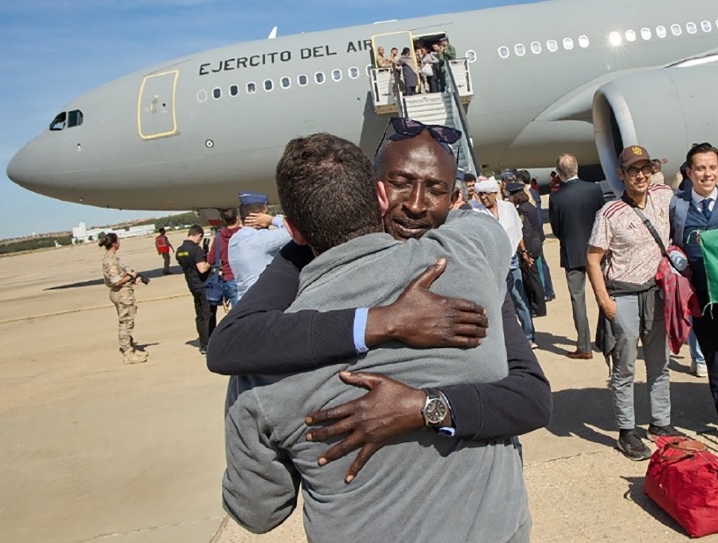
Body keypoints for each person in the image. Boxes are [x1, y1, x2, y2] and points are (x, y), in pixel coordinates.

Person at [220, 132, 532, 541]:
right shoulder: (470, 257)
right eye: (405, 185)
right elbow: (475, 219)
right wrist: (385, 323)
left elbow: (258, 512)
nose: (417, 204)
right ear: (381, 199)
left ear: (292, 229)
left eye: (433, 189)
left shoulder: (256, 371)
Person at [586, 145, 681, 461]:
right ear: (621, 174)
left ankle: (661, 423)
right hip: (623, 295)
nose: (640, 175)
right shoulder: (610, 213)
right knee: (624, 368)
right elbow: (593, 257)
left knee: (659, 364)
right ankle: (627, 432)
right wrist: (604, 301)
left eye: (645, 169)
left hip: (656, 293)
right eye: (632, 170)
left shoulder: (664, 196)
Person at [670, 143, 718, 407]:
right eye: (700, 168)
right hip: (700, 300)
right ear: (689, 172)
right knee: (713, 359)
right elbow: (669, 241)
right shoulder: (677, 207)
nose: (707, 174)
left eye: (712, 167)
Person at [549, 153, 605, 359]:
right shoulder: (594, 189)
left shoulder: (556, 198)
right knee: (604, 295)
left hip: (572, 254)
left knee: (577, 300)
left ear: (559, 173)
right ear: (577, 167)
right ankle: (607, 338)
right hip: (597, 251)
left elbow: (556, 229)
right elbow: (603, 220)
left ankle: (584, 345)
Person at [473, 177, 538, 348]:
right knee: (500, 300)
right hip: (492, 263)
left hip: (512, 259)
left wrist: (523, 252)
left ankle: (529, 335)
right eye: (480, 195)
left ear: (495, 193)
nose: (484, 198)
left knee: (518, 296)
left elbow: (518, 231)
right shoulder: (477, 212)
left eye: (486, 194)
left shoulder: (508, 208)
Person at [228, 192, 291, 301]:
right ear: (261, 215)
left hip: (243, 302)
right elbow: (295, 230)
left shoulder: (235, 239)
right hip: (264, 302)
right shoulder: (261, 239)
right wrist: (272, 220)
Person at [99, 233, 149, 365]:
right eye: (118, 240)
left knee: (127, 321)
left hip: (123, 291)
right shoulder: (111, 260)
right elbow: (116, 281)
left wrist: (132, 280)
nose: (120, 242)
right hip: (121, 294)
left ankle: (131, 349)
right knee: (125, 323)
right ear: (114, 243)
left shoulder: (113, 258)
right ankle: (128, 354)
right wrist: (131, 276)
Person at [508, 182, 546, 317]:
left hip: (530, 247)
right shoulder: (529, 206)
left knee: (532, 279)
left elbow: (526, 231)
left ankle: (537, 307)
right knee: (535, 277)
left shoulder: (522, 210)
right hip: (536, 244)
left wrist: (526, 252)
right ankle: (539, 306)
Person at [176, 224, 212, 355]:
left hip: (192, 285)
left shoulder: (179, 250)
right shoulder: (196, 250)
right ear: (198, 235)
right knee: (207, 314)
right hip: (202, 285)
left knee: (199, 315)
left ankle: (203, 342)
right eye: (200, 238)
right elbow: (202, 268)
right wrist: (210, 262)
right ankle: (207, 343)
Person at [206, 208, 241, 319]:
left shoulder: (218, 238)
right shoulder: (244, 233)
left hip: (229, 277)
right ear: (237, 218)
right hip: (245, 275)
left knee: (238, 313)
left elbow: (211, 260)